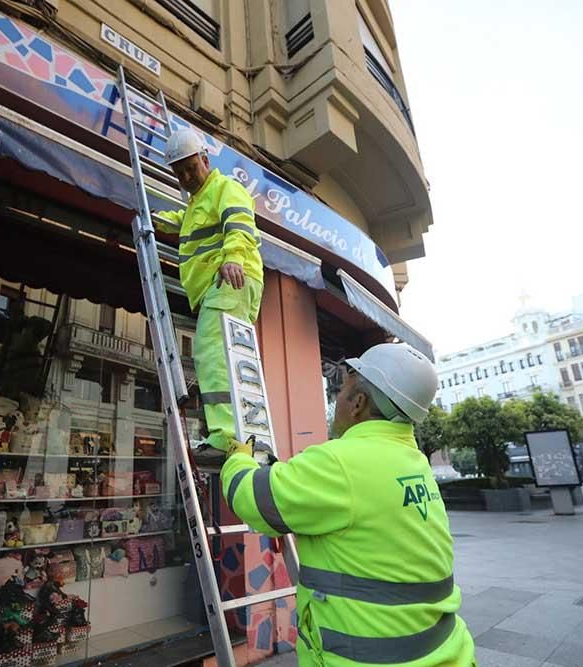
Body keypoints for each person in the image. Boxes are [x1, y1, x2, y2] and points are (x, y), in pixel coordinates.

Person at [220, 343, 476, 666]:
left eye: (342, 389)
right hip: (448, 653)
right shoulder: (414, 462)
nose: (337, 398)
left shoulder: (341, 463)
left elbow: (252, 497)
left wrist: (237, 459)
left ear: (358, 403)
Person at [154, 128, 263, 468]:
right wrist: (157, 219)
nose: (186, 176)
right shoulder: (196, 203)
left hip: (228, 277)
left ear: (205, 159)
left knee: (211, 353)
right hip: (223, 284)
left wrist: (232, 257)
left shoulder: (225, 188)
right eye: (180, 172)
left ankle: (225, 435)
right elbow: (185, 223)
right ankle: (242, 434)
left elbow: (240, 224)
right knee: (228, 357)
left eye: (191, 167)